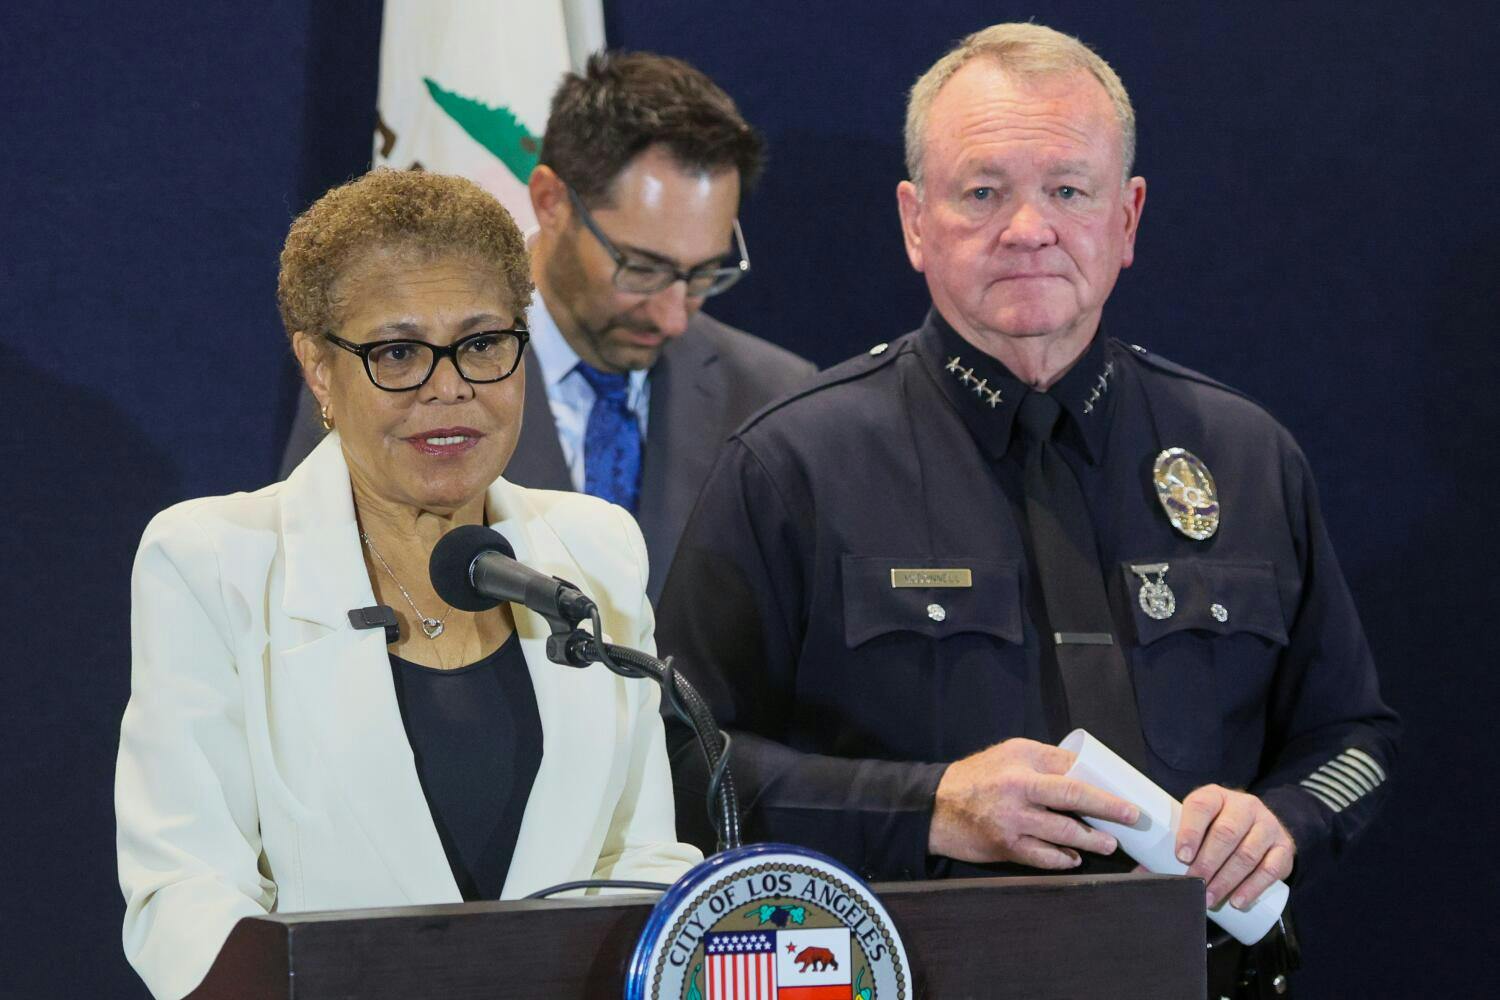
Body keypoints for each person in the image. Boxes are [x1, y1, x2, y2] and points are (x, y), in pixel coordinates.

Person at [656, 23, 1398, 996]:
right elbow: (671, 763)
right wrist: (926, 806)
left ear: (1127, 218)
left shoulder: (1247, 456)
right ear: (914, 221)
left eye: (1068, 190)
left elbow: (1353, 740)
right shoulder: (792, 465)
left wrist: (1283, 822)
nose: (1028, 228)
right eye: (982, 192)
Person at [116, 170, 700, 1000]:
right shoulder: (212, 562)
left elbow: (641, 858)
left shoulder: (593, 550)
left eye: (483, 343)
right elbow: (185, 895)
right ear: (318, 369)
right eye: (397, 353)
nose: (449, 386)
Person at [281, 52, 815, 602]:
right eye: (642, 268)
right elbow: (316, 583)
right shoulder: (386, 364)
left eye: (703, 273)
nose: (674, 315)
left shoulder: (774, 396)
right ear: (550, 200)